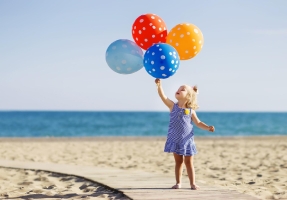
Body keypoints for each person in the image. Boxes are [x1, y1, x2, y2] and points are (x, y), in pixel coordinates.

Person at [155, 78, 215, 190]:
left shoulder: (191, 110)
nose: (178, 90)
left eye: (182, 89)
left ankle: (193, 183)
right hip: (175, 139)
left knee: (189, 162)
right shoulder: (173, 106)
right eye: (178, 89)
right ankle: (178, 183)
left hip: (187, 140)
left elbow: (198, 123)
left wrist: (207, 127)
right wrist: (159, 86)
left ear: (188, 96)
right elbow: (163, 96)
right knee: (178, 162)